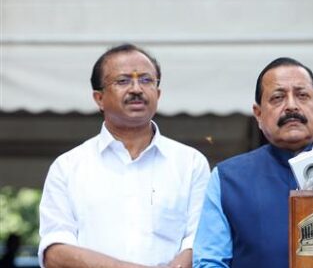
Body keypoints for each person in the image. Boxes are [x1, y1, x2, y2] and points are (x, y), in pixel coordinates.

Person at [38, 44, 210, 268]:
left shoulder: (190, 163)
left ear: (158, 94)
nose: (136, 88)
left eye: (146, 80)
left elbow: (201, 239)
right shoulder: (68, 166)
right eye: (123, 81)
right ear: (99, 98)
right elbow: (55, 251)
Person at [193, 57, 313, 267]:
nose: (291, 106)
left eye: (302, 95)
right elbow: (209, 261)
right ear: (258, 114)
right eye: (278, 98)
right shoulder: (228, 178)